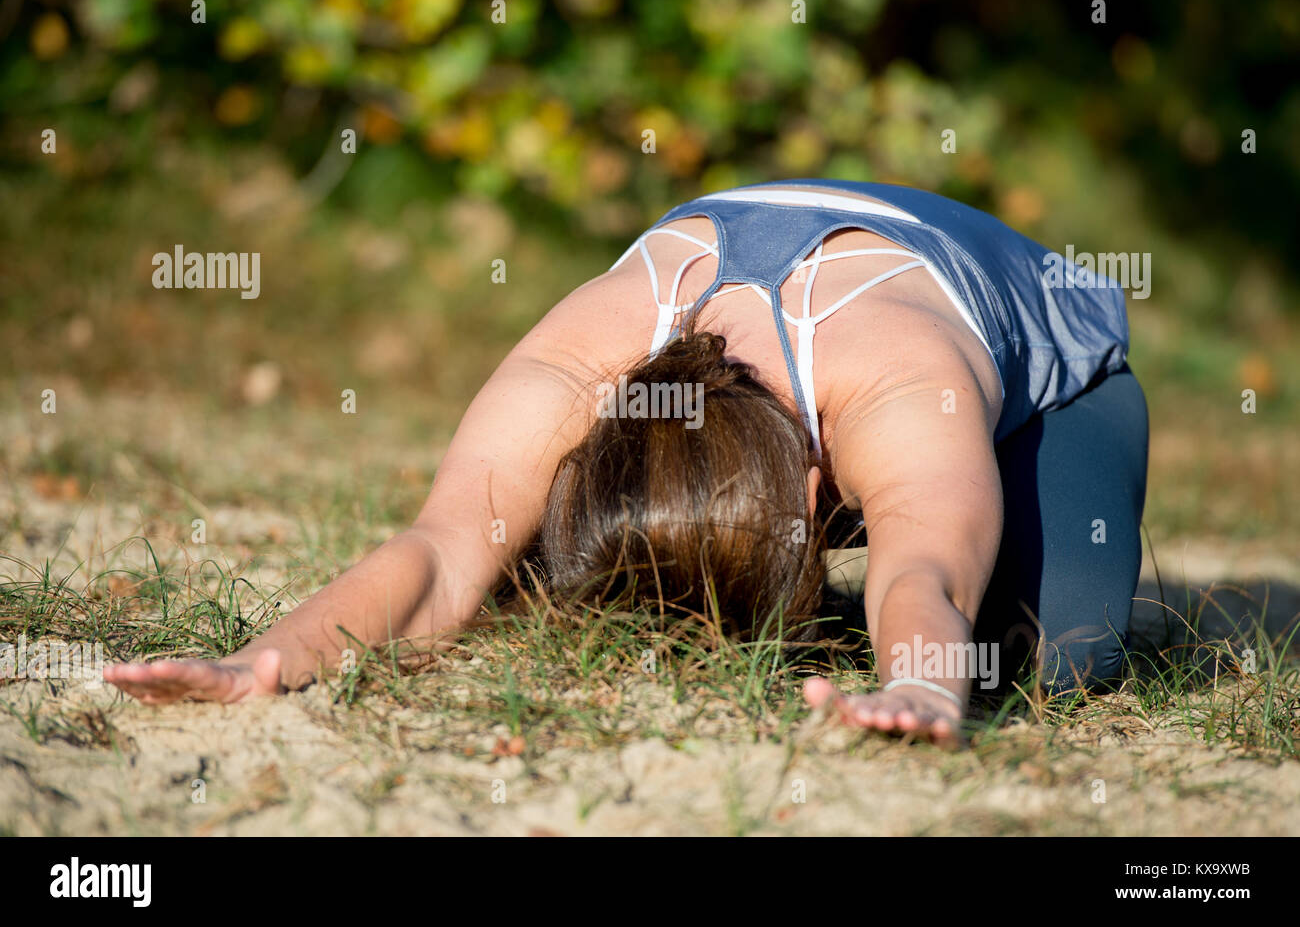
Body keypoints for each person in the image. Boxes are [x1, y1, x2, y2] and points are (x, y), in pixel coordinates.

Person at [105, 179, 1149, 746]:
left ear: (820, 494)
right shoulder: (584, 352)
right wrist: (263, 662)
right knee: (512, 563)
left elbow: (926, 563)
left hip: (1050, 363)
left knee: (1050, 657)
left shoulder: (898, 385)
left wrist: (922, 687)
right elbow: (437, 548)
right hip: (758, 259)